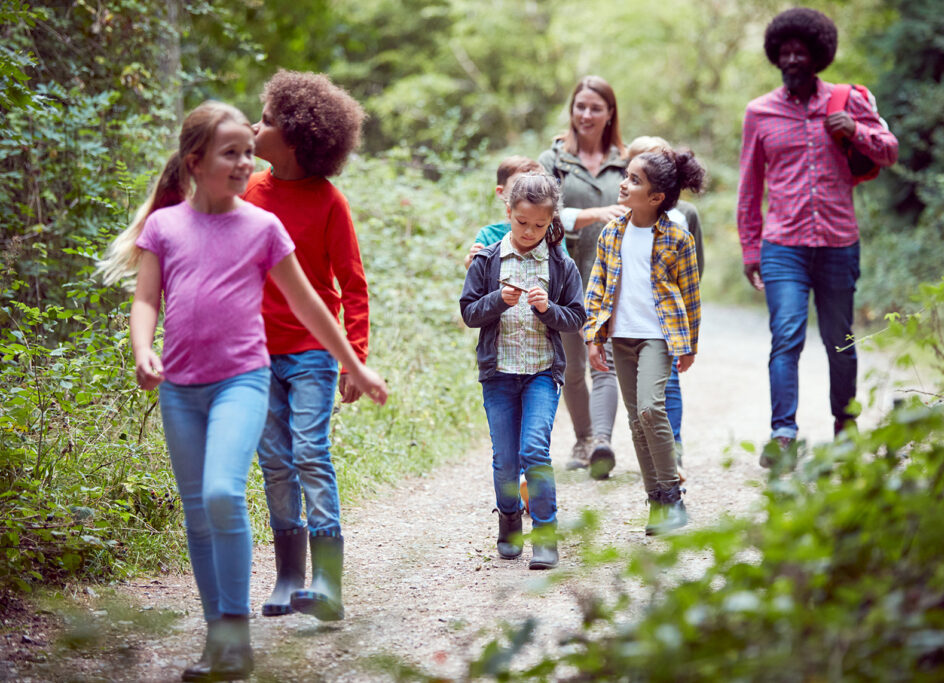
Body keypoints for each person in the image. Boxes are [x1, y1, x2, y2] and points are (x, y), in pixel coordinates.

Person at [98, 101, 388, 682]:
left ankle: (292, 593)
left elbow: (313, 298)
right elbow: (146, 298)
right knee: (205, 509)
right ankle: (225, 639)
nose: (244, 161)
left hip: (248, 375)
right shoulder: (167, 224)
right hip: (181, 386)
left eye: (248, 152)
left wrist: (353, 362)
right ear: (196, 161)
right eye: (231, 152)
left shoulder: (268, 223)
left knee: (229, 490)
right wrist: (141, 347)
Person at [737, 8, 898, 465]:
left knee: (839, 340)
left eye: (800, 50)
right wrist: (751, 247)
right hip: (782, 246)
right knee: (786, 337)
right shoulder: (759, 112)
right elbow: (750, 187)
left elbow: (890, 149)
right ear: (776, 55)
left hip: (838, 243)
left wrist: (857, 130)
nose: (791, 58)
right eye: (784, 51)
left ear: (817, 54)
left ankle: (845, 428)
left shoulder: (849, 100)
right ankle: (783, 434)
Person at [243, 70, 368, 622]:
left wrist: (354, 359)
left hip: (313, 353)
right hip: (255, 353)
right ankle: (288, 574)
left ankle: (327, 579)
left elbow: (353, 284)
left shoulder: (328, 202)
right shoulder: (250, 191)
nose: (255, 125)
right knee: (273, 460)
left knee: (310, 454)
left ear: (294, 138)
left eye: (266, 120)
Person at [460, 172, 585, 570]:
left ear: (551, 223)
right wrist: (497, 299)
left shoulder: (561, 265)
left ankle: (546, 536)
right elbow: (469, 312)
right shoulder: (486, 259)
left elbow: (576, 318)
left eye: (540, 225)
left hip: (542, 374)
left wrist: (549, 310)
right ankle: (510, 520)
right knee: (506, 461)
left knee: (535, 450)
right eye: (522, 222)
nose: (530, 231)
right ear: (508, 212)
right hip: (499, 375)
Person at [584, 147, 704, 536]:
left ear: (655, 198)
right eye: (626, 175)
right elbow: (597, 288)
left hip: (658, 336)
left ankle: (673, 496)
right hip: (621, 337)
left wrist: (690, 345)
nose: (624, 183)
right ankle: (656, 502)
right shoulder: (612, 233)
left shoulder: (677, 236)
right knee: (636, 422)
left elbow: (691, 294)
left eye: (634, 180)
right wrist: (593, 337)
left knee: (652, 409)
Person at [539, 75, 627, 479]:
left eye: (596, 107)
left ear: (610, 113)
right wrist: (593, 216)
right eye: (580, 106)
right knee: (573, 367)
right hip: (566, 278)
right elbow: (537, 211)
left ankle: (601, 442)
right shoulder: (554, 161)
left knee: (603, 361)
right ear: (571, 110)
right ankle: (584, 438)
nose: (586, 114)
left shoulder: (627, 163)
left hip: (615, 278)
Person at [624, 136, 705, 473]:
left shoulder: (685, 216)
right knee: (639, 404)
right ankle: (657, 467)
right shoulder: (619, 220)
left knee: (666, 386)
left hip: (665, 324)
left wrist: (686, 336)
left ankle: (674, 451)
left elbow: (693, 275)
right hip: (627, 325)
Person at [463, 155, 545, 269]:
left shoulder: (550, 233)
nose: (528, 190)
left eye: (535, 184)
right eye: (519, 184)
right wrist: (471, 259)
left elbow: (563, 269)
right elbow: (474, 269)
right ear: (501, 192)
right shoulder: (488, 235)